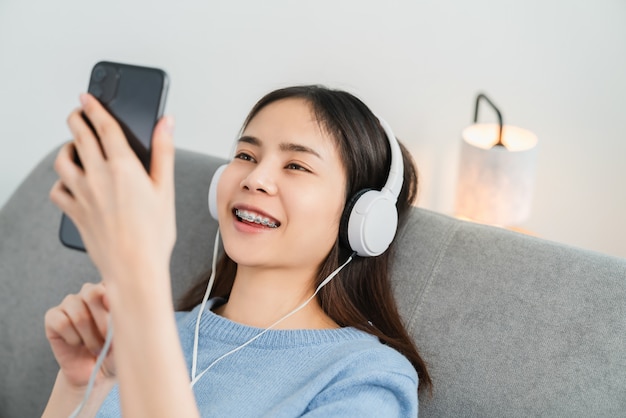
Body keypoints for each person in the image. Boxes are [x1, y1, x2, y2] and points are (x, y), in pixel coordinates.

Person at [43, 85, 432, 417]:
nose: (255, 178)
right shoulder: (137, 334)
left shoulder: (365, 377)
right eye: (246, 156)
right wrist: (78, 388)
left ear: (361, 218)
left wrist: (141, 280)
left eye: (296, 165)